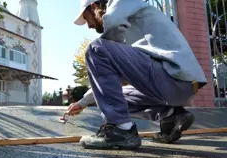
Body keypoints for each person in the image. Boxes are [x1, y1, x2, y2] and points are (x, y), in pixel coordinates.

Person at [67, 0, 207, 149]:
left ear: (94, 6)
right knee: (117, 98)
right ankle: (171, 115)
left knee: (95, 49)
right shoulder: (128, 31)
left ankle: (121, 130)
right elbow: (106, 86)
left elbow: (103, 45)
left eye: (88, 18)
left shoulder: (122, 4)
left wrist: (104, 51)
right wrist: (82, 102)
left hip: (172, 75)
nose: (90, 26)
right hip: (181, 86)